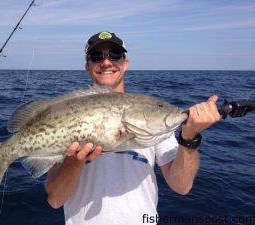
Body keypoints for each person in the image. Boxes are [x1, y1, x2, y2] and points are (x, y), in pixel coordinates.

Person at [45, 31, 220, 224]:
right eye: (96, 56)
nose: (106, 62)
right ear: (88, 67)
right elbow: (55, 200)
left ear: (125, 63)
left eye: (115, 55)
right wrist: (75, 160)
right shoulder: (67, 114)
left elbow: (181, 186)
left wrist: (189, 139)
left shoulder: (156, 127)